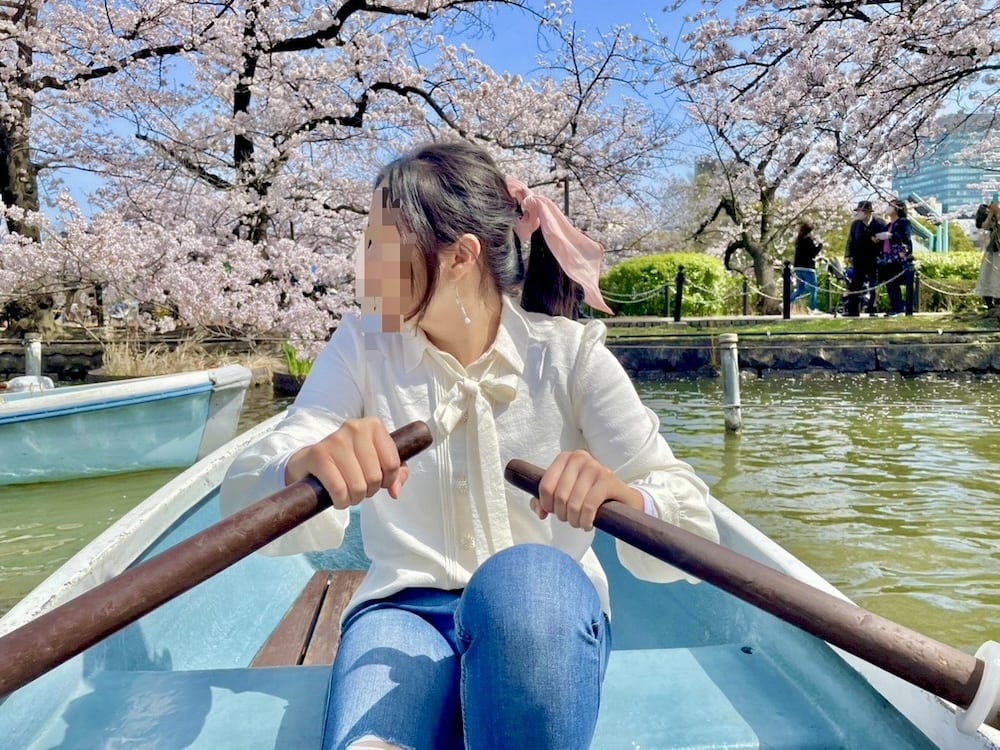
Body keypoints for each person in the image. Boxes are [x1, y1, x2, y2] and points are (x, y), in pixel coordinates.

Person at [219, 140, 720, 750]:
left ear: (461, 257)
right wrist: (305, 464)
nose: (361, 268)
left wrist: (629, 499)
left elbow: (691, 520)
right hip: (403, 613)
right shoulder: (359, 346)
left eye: (380, 247)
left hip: (543, 612)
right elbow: (249, 490)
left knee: (525, 584)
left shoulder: (573, 354)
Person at [844, 201, 885, 317]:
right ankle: (853, 310)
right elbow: (851, 241)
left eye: (861, 211)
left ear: (867, 212)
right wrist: (848, 255)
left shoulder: (879, 223)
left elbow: (886, 239)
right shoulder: (856, 225)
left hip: (874, 258)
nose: (859, 214)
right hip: (859, 259)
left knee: (874, 284)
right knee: (855, 285)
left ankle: (873, 308)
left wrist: (878, 241)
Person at [875, 199, 913, 316]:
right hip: (887, 258)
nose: (888, 208)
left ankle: (899, 308)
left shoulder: (903, 222)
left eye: (890, 206)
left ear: (897, 209)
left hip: (898, 258)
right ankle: (896, 307)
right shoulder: (888, 225)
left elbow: (905, 237)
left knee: (894, 281)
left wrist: (890, 236)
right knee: (890, 283)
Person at [791, 222, 823, 314]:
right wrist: (820, 245)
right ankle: (813, 308)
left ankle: (787, 302)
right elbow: (813, 253)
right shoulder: (808, 240)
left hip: (798, 268)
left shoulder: (799, 241)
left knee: (801, 289)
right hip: (808, 268)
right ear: (810, 231)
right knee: (814, 288)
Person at [975, 196, 1000, 310]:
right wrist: (991, 214)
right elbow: (983, 225)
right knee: (988, 274)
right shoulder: (987, 210)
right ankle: (990, 303)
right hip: (994, 247)